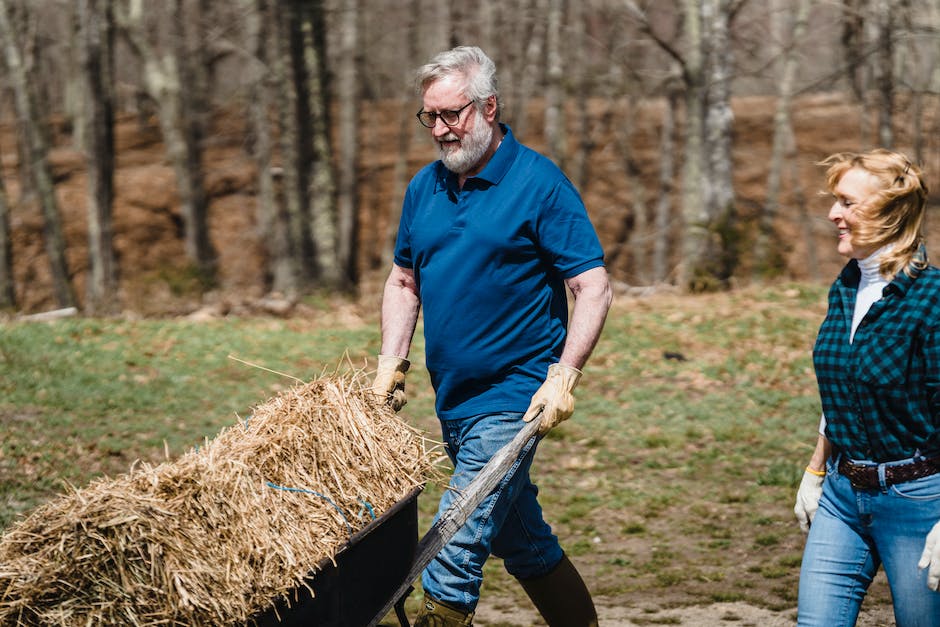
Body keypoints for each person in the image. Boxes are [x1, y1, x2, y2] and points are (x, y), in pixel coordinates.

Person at [371, 46, 611, 626]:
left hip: (516, 397)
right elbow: (404, 281)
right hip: (454, 399)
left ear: (489, 106)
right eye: (430, 116)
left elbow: (591, 285)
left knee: (453, 543)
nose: (442, 129)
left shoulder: (539, 183)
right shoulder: (424, 188)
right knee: (524, 541)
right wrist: (390, 365)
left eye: (452, 114)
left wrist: (565, 375)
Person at [794, 148, 940, 626]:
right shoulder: (846, 286)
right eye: (835, 201)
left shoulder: (931, 300)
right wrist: (816, 472)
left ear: (893, 212)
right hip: (841, 494)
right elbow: (843, 386)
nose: (834, 214)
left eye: (848, 203)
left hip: (918, 500)